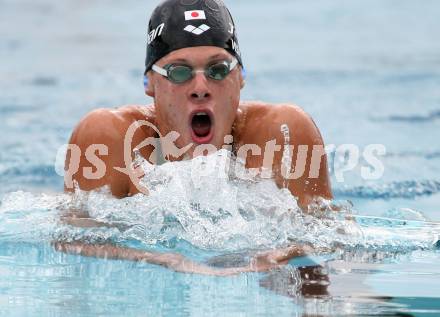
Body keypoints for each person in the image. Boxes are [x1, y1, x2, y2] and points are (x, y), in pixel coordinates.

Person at [59, 0, 333, 275]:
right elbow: (72, 244)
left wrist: (290, 255)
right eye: (179, 72)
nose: (200, 88)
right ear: (149, 83)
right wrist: (164, 260)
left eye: (218, 70)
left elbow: (331, 241)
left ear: (241, 77)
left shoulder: (284, 133)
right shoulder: (110, 138)